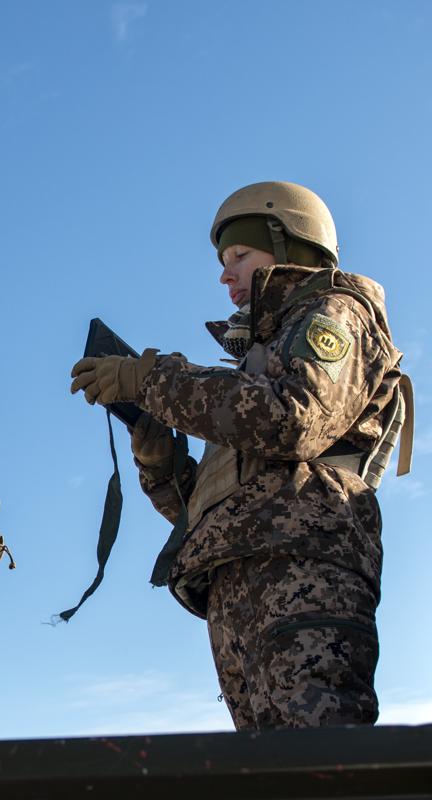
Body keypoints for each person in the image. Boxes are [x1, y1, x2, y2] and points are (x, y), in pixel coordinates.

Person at [70, 181, 411, 730]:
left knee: (319, 761)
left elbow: (293, 420)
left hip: (302, 565)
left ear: (289, 246)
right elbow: (214, 508)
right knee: (265, 780)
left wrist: (154, 377)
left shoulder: (336, 311)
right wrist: (158, 459)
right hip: (239, 578)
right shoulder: (255, 363)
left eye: (239, 256)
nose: (225, 274)